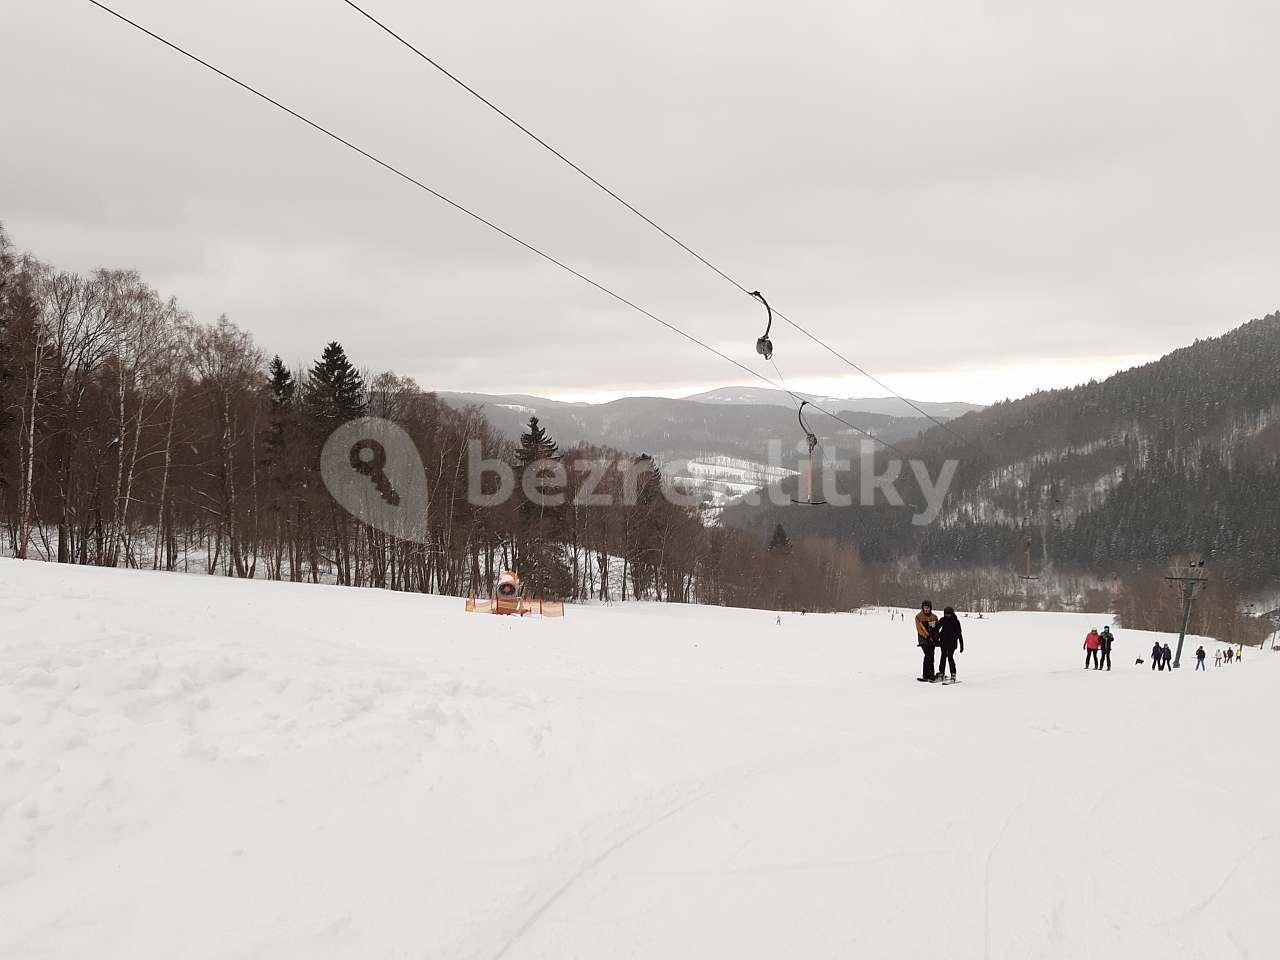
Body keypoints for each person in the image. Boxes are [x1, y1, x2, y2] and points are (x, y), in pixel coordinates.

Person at [937, 606, 964, 682]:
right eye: (946, 614)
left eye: (949, 614)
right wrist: (936, 638)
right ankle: (941, 673)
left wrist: (961, 645)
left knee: (950, 658)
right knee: (943, 657)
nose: (947, 615)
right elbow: (937, 629)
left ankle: (953, 674)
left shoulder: (955, 621)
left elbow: (959, 634)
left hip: (952, 644)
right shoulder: (943, 620)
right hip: (943, 643)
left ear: (952, 613)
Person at [915, 600, 939, 682]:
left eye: (928, 608)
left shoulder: (934, 617)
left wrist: (936, 638)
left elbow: (936, 629)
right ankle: (925, 674)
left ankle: (931, 673)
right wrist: (927, 636)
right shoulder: (918, 617)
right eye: (925, 608)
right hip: (923, 640)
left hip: (932, 640)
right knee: (928, 655)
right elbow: (920, 629)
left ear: (930, 608)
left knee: (931, 656)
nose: (926, 609)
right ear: (922, 607)